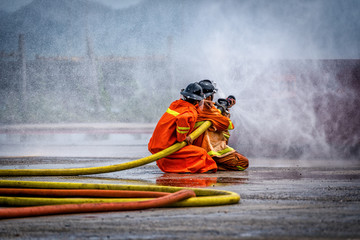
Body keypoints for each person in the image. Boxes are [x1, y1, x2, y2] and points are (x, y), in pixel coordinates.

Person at [148, 82, 218, 173]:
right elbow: (181, 136)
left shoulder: (176, 104)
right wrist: (185, 138)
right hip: (166, 148)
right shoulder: (189, 113)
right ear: (197, 101)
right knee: (202, 154)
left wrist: (202, 104)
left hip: (156, 145)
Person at [193, 79, 249, 171]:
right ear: (209, 97)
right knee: (243, 163)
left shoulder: (192, 107)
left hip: (196, 150)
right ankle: (210, 164)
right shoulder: (210, 111)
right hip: (209, 150)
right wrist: (224, 111)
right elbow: (228, 125)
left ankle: (208, 163)